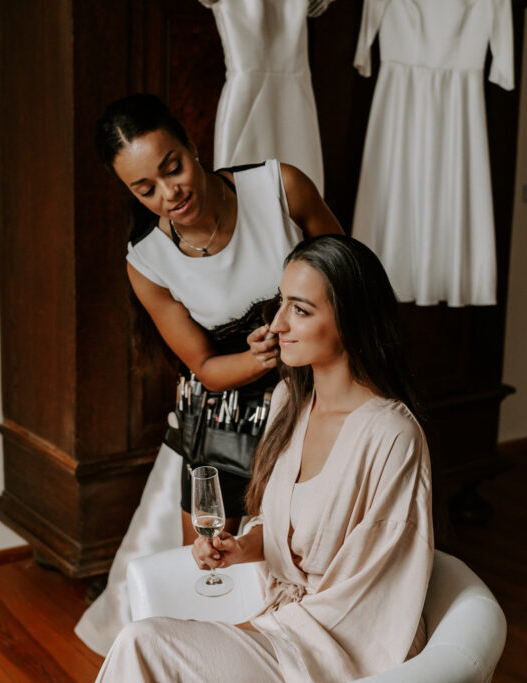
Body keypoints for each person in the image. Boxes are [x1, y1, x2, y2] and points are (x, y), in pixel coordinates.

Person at [96, 234, 434, 682]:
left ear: (351, 318)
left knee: (142, 643)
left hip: (341, 644)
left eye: (300, 309)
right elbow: (282, 525)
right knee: (143, 647)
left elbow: (376, 590)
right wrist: (243, 546)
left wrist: (258, 632)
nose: (277, 325)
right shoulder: (288, 402)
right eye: (281, 303)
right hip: (278, 621)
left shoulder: (392, 436)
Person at [75, 93, 342, 655]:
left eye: (172, 167)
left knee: (313, 552)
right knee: (213, 562)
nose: (169, 194)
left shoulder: (279, 188)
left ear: (193, 146)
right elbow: (203, 365)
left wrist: (302, 332)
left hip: (320, 388)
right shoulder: (146, 262)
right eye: (145, 188)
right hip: (225, 413)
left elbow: (349, 274)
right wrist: (260, 357)